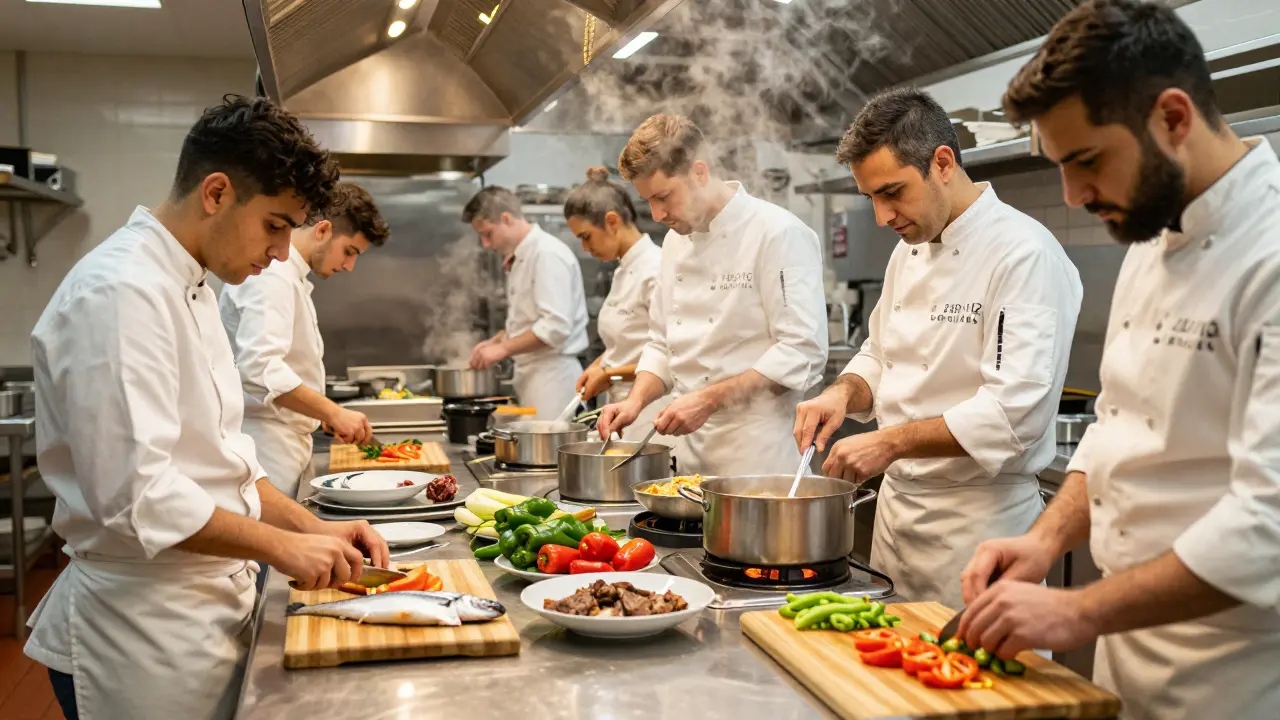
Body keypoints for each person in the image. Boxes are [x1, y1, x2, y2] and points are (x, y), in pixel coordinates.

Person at [957, 2, 1280, 717]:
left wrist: (1079, 611)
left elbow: (1270, 523)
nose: (1073, 195)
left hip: (1237, 674)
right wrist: (1044, 541)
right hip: (1124, 652)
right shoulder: (1151, 234)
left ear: (1172, 118)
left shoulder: (1270, 252)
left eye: (1088, 161)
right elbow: (1116, 426)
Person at [24, 96, 390, 720]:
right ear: (216, 192)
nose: (282, 253)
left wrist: (311, 527)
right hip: (142, 636)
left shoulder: (188, 285)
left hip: (200, 609)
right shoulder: (120, 292)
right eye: (275, 225)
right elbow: (137, 498)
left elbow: (226, 464)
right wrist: (281, 547)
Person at [793, 88, 1082, 609]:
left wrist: (890, 442)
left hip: (979, 533)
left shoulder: (1024, 254)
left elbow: (1015, 414)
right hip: (896, 525)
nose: (882, 216)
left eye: (892, 192)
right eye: (871, 198)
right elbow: (879, 354)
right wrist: (842, 393)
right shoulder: (909, 251)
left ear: (943, 164)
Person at [597, 114, 828, 475]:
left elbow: (802, 351)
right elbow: (661, 343)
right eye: (648, 201)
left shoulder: (778, 233)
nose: (656, 214)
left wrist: (708, 399)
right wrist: (634, 402)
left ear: (699, 173)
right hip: (690, 454)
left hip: (758, 456)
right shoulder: (674, 242)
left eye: (663, 197)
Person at [220, 182, 390, 500]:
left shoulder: (290, 276)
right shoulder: (273, 275)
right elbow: (259, 368)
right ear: (323, 230)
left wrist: (321, 414)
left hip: (281, 441)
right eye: (349, 252)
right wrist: (332, 412)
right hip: (266, 445)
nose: (349, 266)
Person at [566, 166, 672, 443]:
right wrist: (598, 366)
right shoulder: (623, 269)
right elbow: (625, 344)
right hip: (621, 408)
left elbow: (671, 352)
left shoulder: (656, 268)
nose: (585, 248)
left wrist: (609, 374)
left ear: (612, 222)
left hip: (652, 410)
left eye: (586, 236)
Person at [465, 186, 589, 420]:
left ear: (506, 219)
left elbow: (555, 327)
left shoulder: (546, 254)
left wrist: (503, 349)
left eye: (488, 234)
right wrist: (498, 339)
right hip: (535, 378)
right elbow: (530, 319)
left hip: (553, 380)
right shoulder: (523, 255)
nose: (486, 244)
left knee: (549, 443)